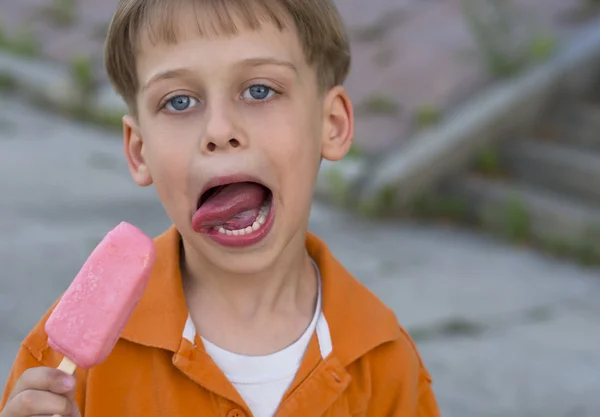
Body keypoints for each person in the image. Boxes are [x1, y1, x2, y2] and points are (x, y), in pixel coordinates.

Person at [0, 0, 441, 416]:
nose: (219, 130)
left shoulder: (385, 364)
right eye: (179, 101)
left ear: (332, 125)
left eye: (260, 90)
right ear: (139, 151)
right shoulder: (61, 366)